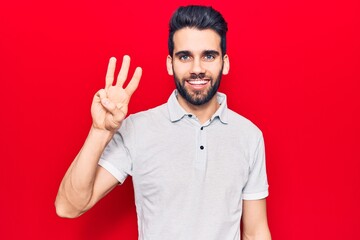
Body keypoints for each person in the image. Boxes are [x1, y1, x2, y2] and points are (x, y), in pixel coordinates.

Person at [55, 5, 271, 240]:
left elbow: (255, 231)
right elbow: (69, 207)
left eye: (208, 56)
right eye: (185, 56)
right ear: (170, 64)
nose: (197, 69)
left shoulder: (249, 136)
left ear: (225, 63)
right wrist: (99, 131)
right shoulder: (137, 129)